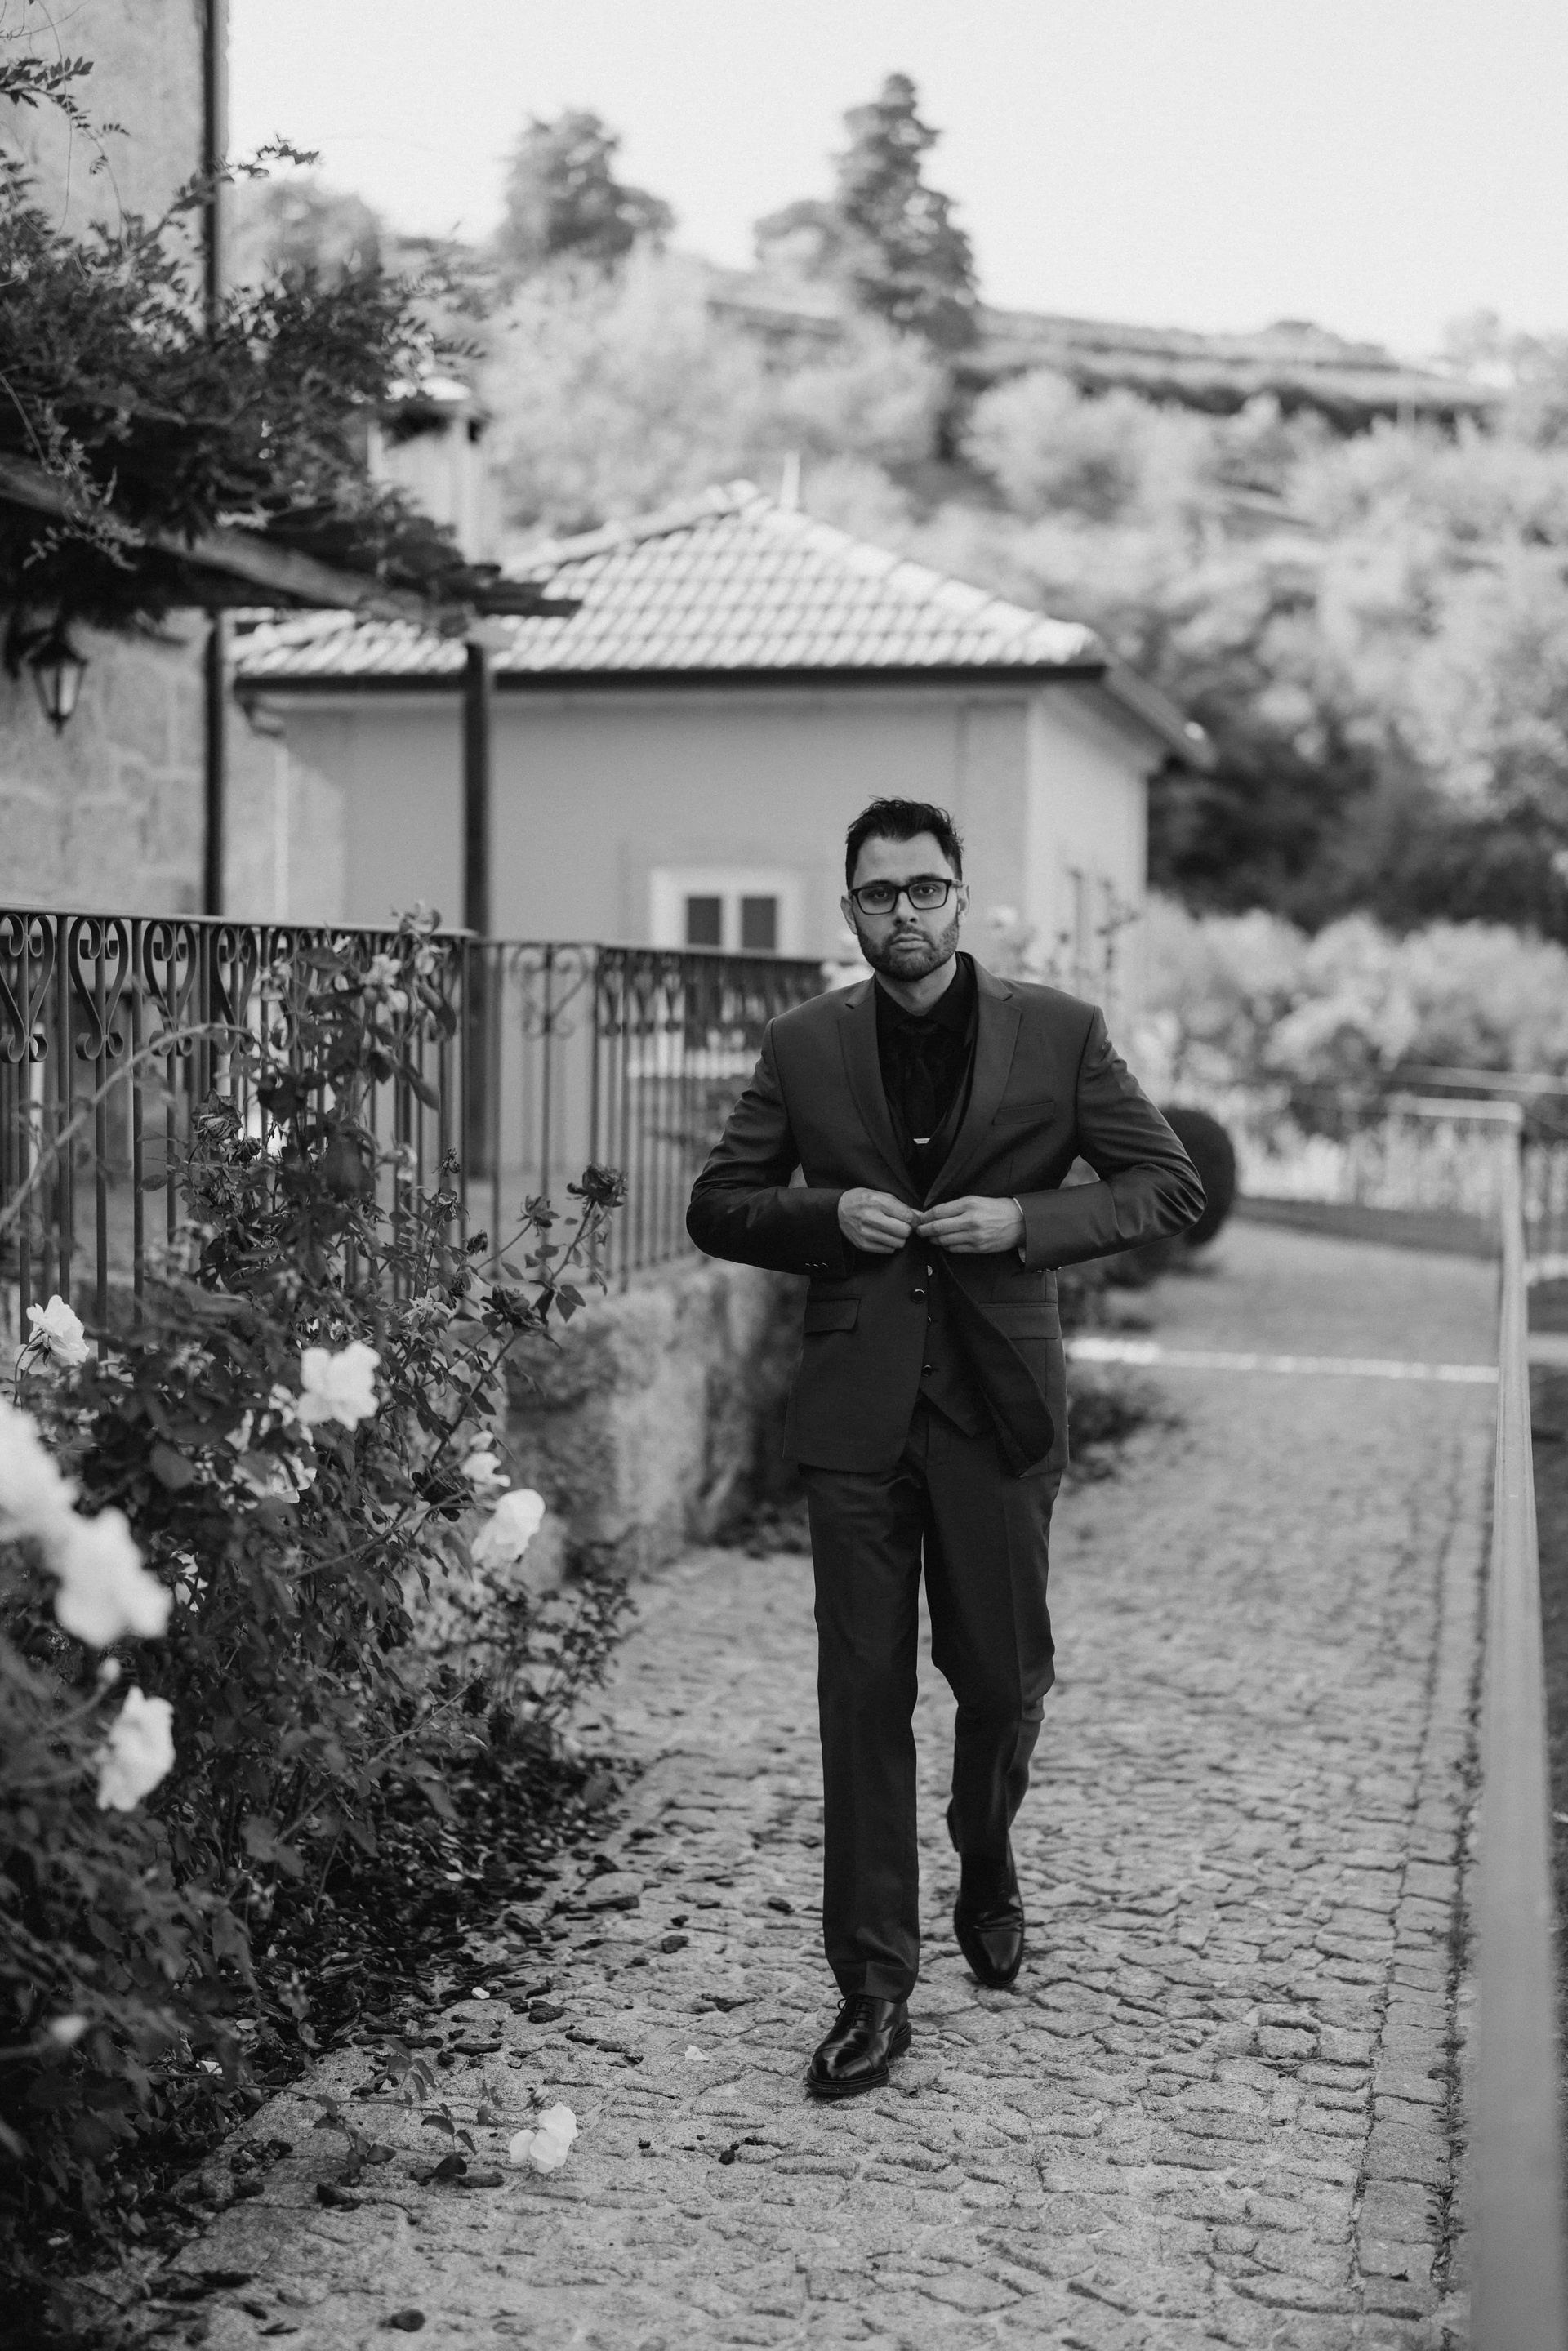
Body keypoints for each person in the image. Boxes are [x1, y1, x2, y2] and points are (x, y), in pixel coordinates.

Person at [686, 797, 1205, 2099]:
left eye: (925, 890)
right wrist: (825, 1215)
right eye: (880, 894)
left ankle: (985, 1848)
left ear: (960, 897)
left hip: (998, 1406)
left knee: (1004, 1678)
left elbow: (1167, 1184)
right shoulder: (805, 1043)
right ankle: (873, 1987)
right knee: (861, 1696)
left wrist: (1025, 1223)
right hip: (857, 1414)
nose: (904, 913)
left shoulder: (1062, 1033)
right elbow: (718, 1206)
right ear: (850, 910)